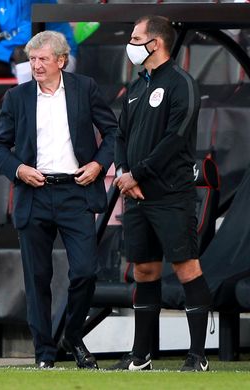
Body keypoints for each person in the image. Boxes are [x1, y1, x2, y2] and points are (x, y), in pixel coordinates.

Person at [0, 30, 117, 369]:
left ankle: (73, 335)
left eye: (43, 59)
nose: (36, 65)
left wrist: (99, 164)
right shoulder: (17, 97)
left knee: (86, 271)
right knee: (37, 279)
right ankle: (44, 354)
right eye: (32, 59)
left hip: (76, 191)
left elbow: (113, 132)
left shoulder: (84, 88)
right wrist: (19, 170)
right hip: (34, 192)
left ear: (61, 60)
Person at [111, 15, 212, 372]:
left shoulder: (181, 83)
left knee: (186, 268)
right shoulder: (137, 86)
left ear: (155, 43)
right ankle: (141, 356)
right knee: (145, 271)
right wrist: (124, 173)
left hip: (171, 195)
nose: (130, 44)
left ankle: (197, 356)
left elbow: (176, 138)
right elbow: (119, 135)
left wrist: (138, 172)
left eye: (136, 37)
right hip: (136, 197)